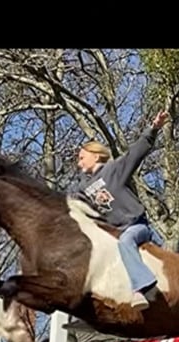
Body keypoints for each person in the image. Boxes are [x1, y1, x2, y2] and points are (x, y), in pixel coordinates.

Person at [68, 110, 170, 312]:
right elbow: (69, 205)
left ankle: (143, 288)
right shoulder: (81, 189)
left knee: (126, 241)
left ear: (96, 156)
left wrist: (154, 127)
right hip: (114, 233)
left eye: (82, 157)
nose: (79, 163)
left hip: (136, 226)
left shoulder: (113, 170)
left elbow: (135, 152)